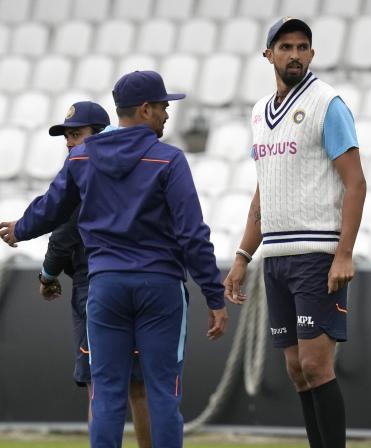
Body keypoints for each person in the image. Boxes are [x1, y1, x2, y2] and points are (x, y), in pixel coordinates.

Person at [0, 70, 229, 448]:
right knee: (161, 394)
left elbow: (52, 209)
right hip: (160, 288)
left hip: (105, 288)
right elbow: (192, 234)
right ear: (144, 109)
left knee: (105, 395)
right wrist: (214, 296)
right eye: (163, 107)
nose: (167, 115)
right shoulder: (169, 159)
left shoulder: (81, 156)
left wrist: (19, 229)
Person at [222, 17, 366, 448]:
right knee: (296, 370)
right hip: (277, 256)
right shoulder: (258, 112)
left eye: (303, 46)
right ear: (269, 54)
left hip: (317, 254)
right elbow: (265, 190)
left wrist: (344, 253)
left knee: (316, 364)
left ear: (312, 54)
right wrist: (242, 256)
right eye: (285, 47)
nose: (295, 54)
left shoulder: (327, 103)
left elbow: (356, 182)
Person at [37, 101, 152, 448]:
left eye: (77, 134)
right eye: (68, 136)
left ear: (99, 135)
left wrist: (47, 275)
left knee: (99, 387)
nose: (70, 143)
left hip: (97, 285)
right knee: (139, 387)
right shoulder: (138, 164)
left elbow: (65, 231)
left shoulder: (86, 172)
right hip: (142, 280)